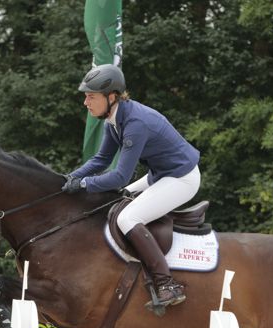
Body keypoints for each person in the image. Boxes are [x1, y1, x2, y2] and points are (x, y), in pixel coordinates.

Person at [62, 64, 201, 310]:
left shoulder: (135, 123)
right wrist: (70, 178)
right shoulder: (113, 120)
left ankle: (167, 284)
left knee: (128, 218)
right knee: (119, 199)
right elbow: (101, 160)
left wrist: (83, 184)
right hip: (160, 175)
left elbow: (119, 177)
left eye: (91, 96)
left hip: (182, 178)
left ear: (111, 97)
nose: (85, 102)